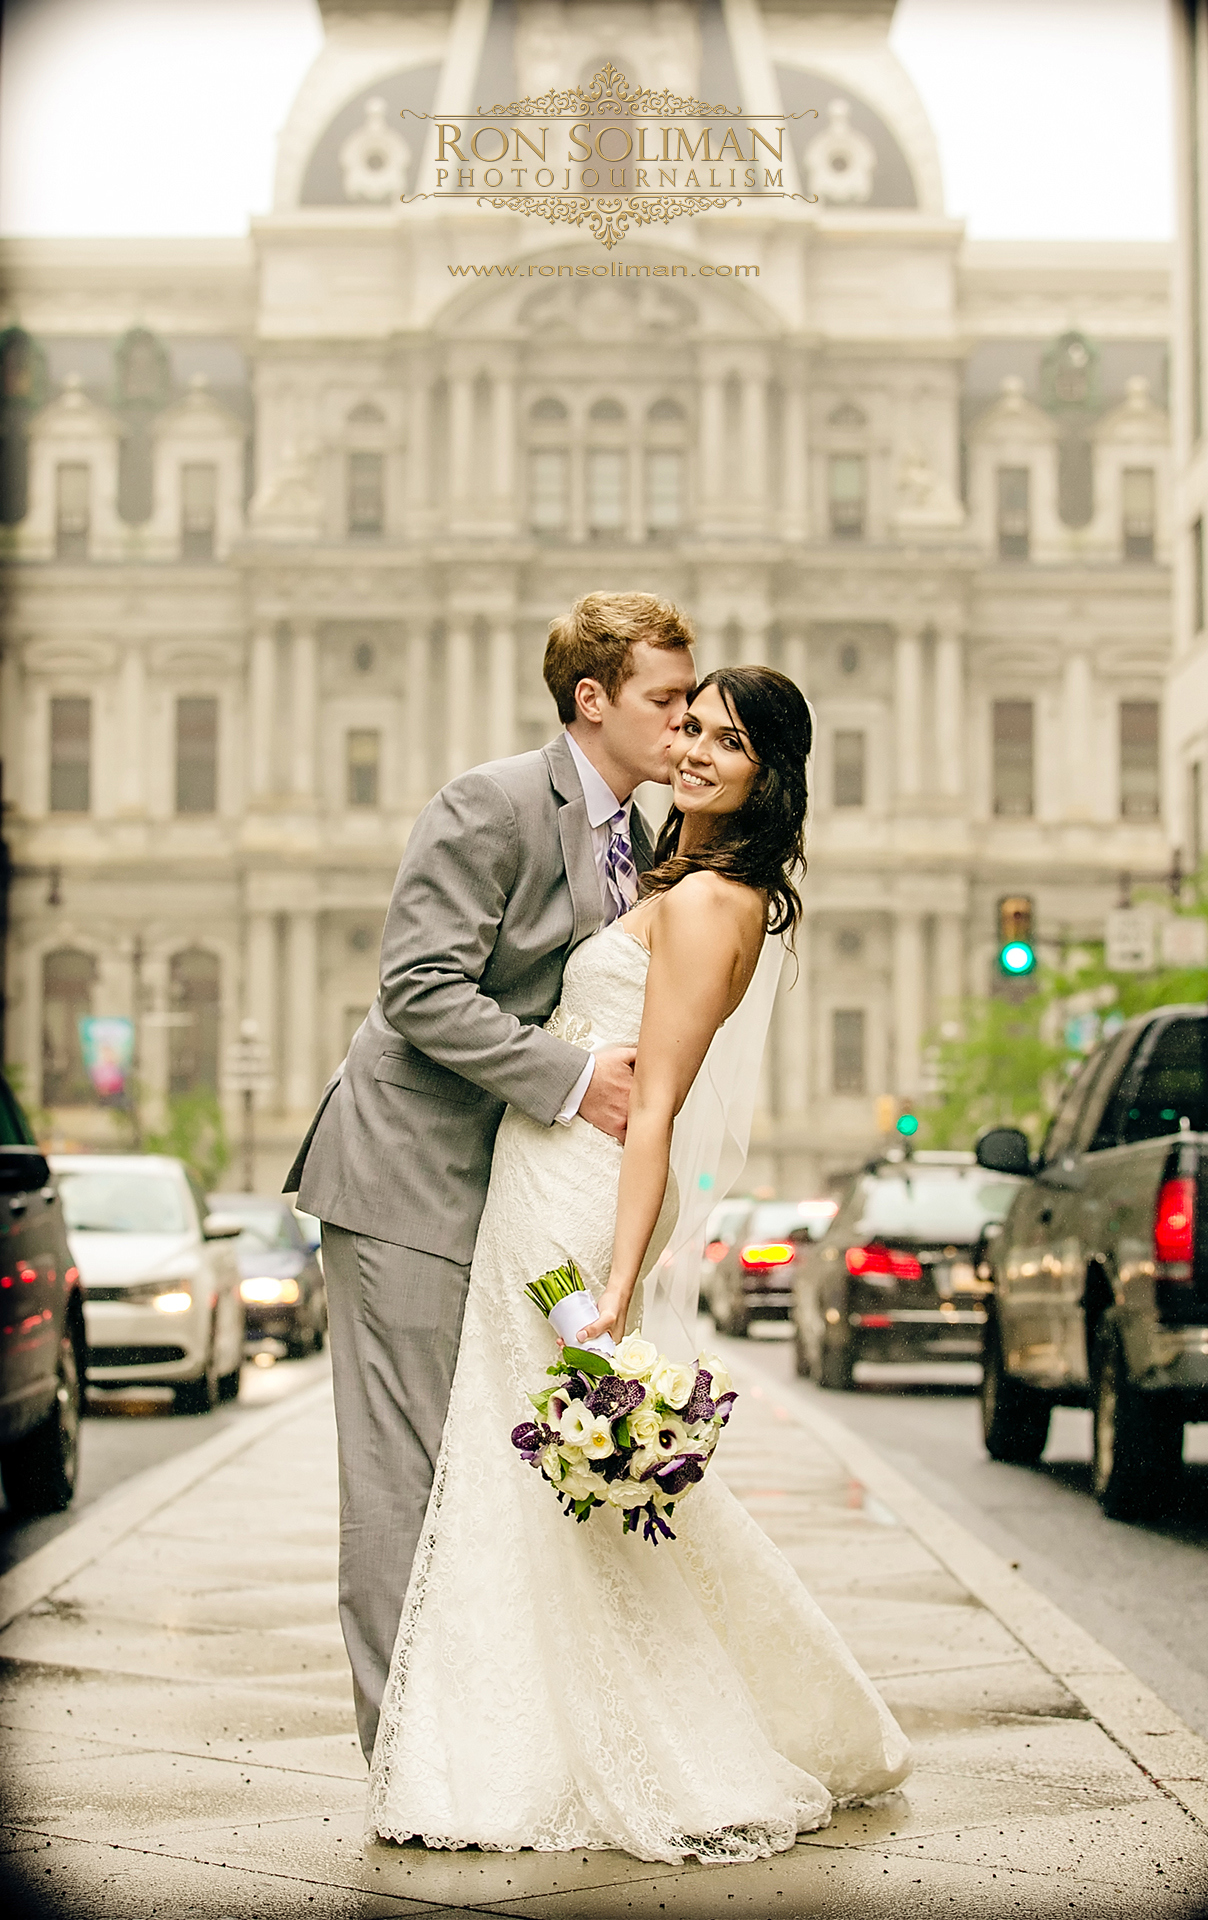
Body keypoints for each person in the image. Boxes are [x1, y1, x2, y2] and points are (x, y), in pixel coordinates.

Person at [368, 666, 911, 1865]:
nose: (695, 748)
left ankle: (585, 1750)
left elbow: (657, 1108)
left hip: (574, 1206)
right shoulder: (678, 876)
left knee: (535, 1481)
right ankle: (523, 1735)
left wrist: (616, 1288)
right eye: (692, 725)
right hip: (539, 1184)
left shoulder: (717, 897)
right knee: (514, 1478)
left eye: (727, 740)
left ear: (771, 772)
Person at [284, 592, 699, 1761]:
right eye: (664, 700)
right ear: (593, 700)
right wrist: (576, 1082)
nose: (681, 722)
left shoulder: (642, 838)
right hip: (407, 1176)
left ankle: (483, 1741)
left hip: (516, 1193)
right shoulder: (494, 801)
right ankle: (404, 1759)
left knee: (490, 1469)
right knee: (400, 1480)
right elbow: (418, 988)